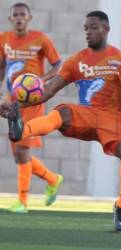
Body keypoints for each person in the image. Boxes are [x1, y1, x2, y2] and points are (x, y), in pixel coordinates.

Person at [3, 10, 121, 232]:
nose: (88, 32)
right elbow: (47, 91)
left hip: (112, 120)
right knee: (63, 112)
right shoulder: (76, 60)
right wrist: (15, 105)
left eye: (93, 27)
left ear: (106, 29)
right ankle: (21, 131)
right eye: (86, 29)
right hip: (85, 113)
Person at [0, 2, 63, 213]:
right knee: (19, 154)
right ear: (11, 19)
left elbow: (58, 65)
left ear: (29, 18)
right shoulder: (4, 39)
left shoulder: (41, 39)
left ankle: (23, 201)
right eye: (15, 15)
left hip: (33, 101)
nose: (18, 18)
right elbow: (2, 67)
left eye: (22, 15)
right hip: (12, 101)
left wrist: (41, 81)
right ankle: (52, 179)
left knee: (22, 148)